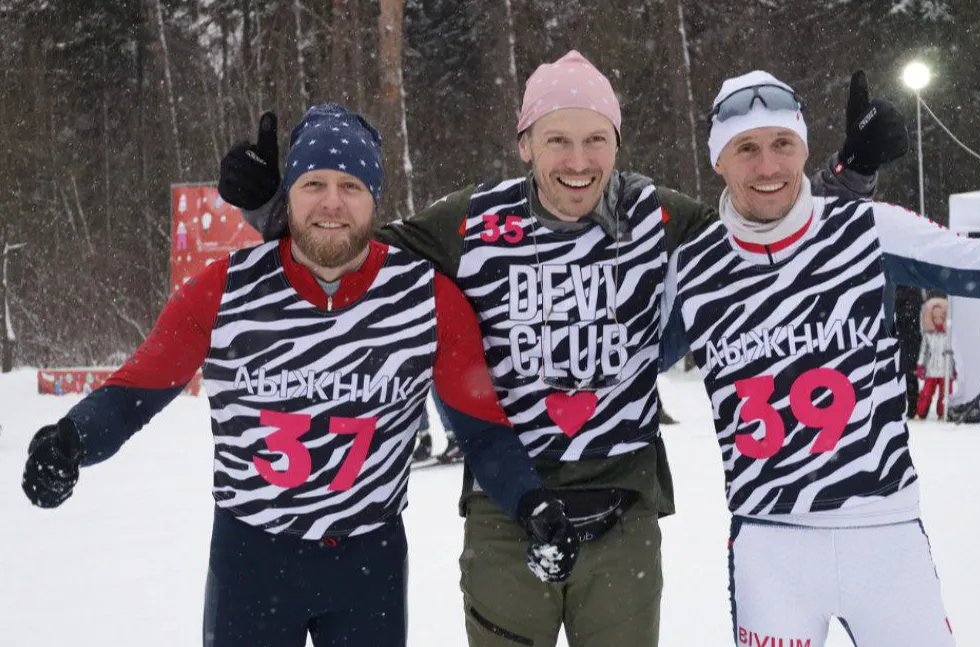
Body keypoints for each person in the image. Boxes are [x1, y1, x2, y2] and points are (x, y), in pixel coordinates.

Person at [220, 53, 906, 647]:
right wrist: (275, 215)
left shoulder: (656, 215)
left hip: (623, 506)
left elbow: (771, 233)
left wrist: (852, 177)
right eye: (557, 141)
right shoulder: (473, 220)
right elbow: (353, 256)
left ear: (617, 142)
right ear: (525, 144)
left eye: (595, 140)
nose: (578, 163)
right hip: (506, 503)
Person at [22, 105, 579, 647]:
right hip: (251, 562)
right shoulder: (225, 291)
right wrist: (70, 441)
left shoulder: (427, 299)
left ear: (374, 199)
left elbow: (482, 430)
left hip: (368, 567)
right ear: (286, 196)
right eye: (313, 183)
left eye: (351, 186)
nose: (332, 203)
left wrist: (533, 504)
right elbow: (133, 394)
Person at [663, 70, 980, 646]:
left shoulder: (868, 230)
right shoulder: (694, 268)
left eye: (782, 144)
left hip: (885, 539)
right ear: (719, 160)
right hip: (770, 545)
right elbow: (620, 365)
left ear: (803, 149)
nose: (767, 167)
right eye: (747, 149)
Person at [916, 298, 954, 420]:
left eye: (941, 316)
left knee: (945, 393)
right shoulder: (928, 335)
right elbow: (923, 351)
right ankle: (921, 413)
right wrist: (920, 365)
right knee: (926, 393)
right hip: (931, 368)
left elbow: (953, 353)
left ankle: (943, 413)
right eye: (935, 316)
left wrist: (956, 368)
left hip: (946, 368)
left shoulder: (950, 335)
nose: (938, 319)